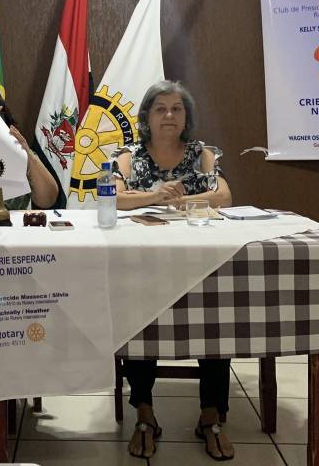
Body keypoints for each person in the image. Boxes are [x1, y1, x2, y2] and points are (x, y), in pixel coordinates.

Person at [113, 80, 234, 461]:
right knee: (137, 318)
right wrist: (155, 195)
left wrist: (180, 202)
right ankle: (144, 413)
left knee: (215, 318)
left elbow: (224, 196)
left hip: (200, 258)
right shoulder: (129, 155)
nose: (169, 115)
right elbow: (112, 199)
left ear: (186, 116)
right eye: (160, 108)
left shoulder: (202, 154)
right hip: (142, 263)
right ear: (147, 116)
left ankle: (211, 415)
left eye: (177, 108)